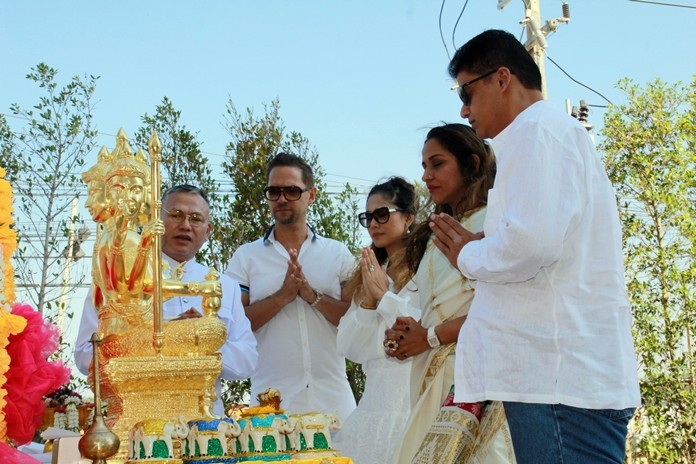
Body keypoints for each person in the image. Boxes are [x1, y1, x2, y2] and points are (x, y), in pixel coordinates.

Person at [429, 29, 641, 463]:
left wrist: (468, 253)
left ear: (502, 78)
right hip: (562, 380)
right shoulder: (544, 135)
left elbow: (529, 246)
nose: (463, 108)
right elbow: (535, 240)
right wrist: (490, 243)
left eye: (467, 91)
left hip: (558, 381)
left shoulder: (537, 131)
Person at [384, 124, 514, 464]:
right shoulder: (434, 233)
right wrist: (407, 332)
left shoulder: (496, 221)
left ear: (471, 163)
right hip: (432, 373)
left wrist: (428, 337)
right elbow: (437, 306)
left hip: (476, 374)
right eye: (424, 166)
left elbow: (502, 307)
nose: (426, 176)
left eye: (437, 164)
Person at [75, 184, 258, 415]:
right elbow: (84, 355)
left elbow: (248, 361)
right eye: (176, 215)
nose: (185, 225)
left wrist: (206, 339)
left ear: (208, 230)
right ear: (156, 220)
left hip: (206, 422)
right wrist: (166, 336)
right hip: (135, 419)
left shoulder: (225, 286)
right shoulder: (118, 276)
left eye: (196, 219)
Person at [224, 152, 356, 421]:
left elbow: (355, 319)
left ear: (312, 195)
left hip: (334, 399)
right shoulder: (246, 257)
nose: (282, 198)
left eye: (292, 191)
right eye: (274, 191)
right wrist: (282, 297)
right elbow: (233, 327)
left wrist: (311, 296)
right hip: (271, 401)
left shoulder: (337, 253)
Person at [332, 177, 420, 464]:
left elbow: (421, 333)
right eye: (367, 217)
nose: (373, 224)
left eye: (382, 214)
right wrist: (370, 302)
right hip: (372, 412)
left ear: (408, 217)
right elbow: (349, 348)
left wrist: (385, 297)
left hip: (415, 406)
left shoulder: (428, 268)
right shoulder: (369, 274)